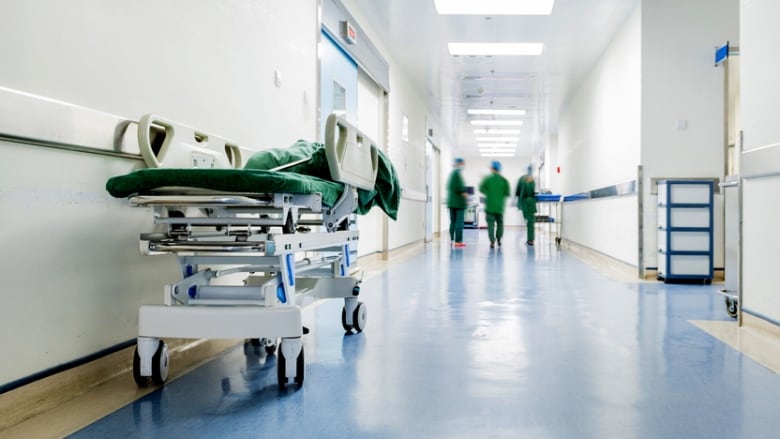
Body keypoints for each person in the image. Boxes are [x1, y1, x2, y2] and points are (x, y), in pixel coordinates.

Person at [478, 160, 510, 249]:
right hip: (499, 207)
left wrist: (489, 192)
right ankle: (499, 239)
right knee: (500, 224)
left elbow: (481, 189)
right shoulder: (504, 181)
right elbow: (507, 193)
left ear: (492, 168)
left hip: (490, 206)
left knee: (490, 225)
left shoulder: (487, 179)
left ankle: (492, 241)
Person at [447, 157, 468, 248]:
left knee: (453, 222)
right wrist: (466, 197)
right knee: (459, 222)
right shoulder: (457, 174)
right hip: (458, 203)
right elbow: (461, 189)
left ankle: (451, 239)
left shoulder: (452, 174)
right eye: (462, 163)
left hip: (451, 202)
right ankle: (458, 241)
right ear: (459, 163)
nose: (463, 165)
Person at [516, 165, 537, 246]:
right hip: (531, 202)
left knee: (527, 220)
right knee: (531, 221)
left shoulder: (522, 179)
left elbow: (518, 191)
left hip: (524, 202)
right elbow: (534, 192)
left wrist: (516, 201)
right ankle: (530, 240)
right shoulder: (533, 180)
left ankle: (529, 239)